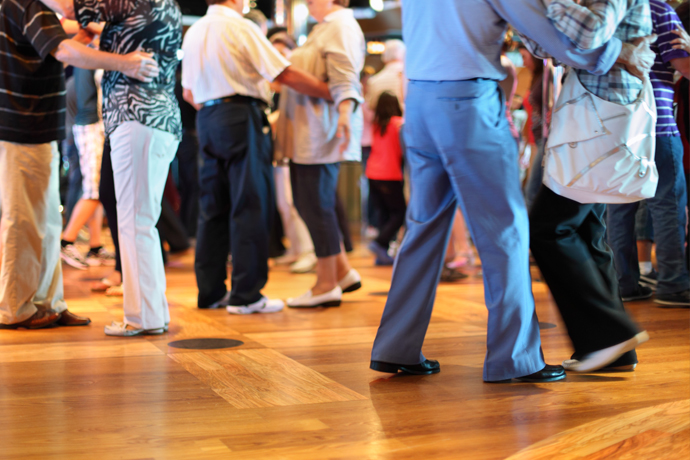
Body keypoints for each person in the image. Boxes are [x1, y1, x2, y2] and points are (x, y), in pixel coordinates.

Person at [369, 0, 655, 382]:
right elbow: (549, 35)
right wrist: (620, 52)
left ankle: (395, 348)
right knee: (505, 227)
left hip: (419, 100)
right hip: (467, 102)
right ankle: (515, 358)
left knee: (423, 229)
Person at [0, 0, 158, 329]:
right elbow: (64, 51)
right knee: (24, 220)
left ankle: (47, 304)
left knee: (44, 222)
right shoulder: (26, 2)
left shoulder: (30, 8)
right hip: (22, 127)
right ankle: (16, 309)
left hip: (36, 127)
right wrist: (125, 62)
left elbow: (64, 33)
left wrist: (96, 30)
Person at [182, 0, 333, 314]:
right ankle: (246, 295)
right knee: (250, 203)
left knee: (212, 207)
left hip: (207, 118)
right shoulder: (240, 26)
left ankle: (210, 292)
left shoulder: (194, 31)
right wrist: (330, 91)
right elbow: (284, 72)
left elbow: (188, 93)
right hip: (241, 115)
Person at [527, 0, 654, 372]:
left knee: (549, 228)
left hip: (601, 111)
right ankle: (611, 348)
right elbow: (546, 44)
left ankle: (609, 336)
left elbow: (588, 32)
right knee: (586, 228)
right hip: (599, 108)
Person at [66, 0, 184, 336]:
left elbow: (72, 11)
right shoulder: (160, 5)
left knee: (136, 222)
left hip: (137, 116)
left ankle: (142, 317)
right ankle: (150, 312)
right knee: (140, 221)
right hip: (153, 118)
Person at [275, 0, 365, 309]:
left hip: (321, 130)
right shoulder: (326, 27)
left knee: (316, 203)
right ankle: (341, 271)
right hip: (310, 130)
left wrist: (343, 113)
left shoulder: (340, 26)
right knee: (309, 201)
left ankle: (326, 284)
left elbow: (345, 76)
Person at [606, 0, 690, 308]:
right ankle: (672, 284)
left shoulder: (605, 9)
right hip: (658, 124)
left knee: (619, 206)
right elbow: (686, 66)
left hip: (615, 125)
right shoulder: (658, 11)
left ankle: (624, 283)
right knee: (667, 205)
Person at [59, 67, 115, 269]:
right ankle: (66, 242)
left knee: (96, 190)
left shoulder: (88, 58)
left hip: (91, 125)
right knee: (94, 190)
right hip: (92, 126)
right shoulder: (89, 56)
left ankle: (95, 246)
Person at [366, 92, 406, 266]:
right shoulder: (398, 124)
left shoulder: (376, 124)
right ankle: (380, 243)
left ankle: (382, 254)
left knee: (384, 214)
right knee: (400, 213)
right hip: (389, 175)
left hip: (372, 174)